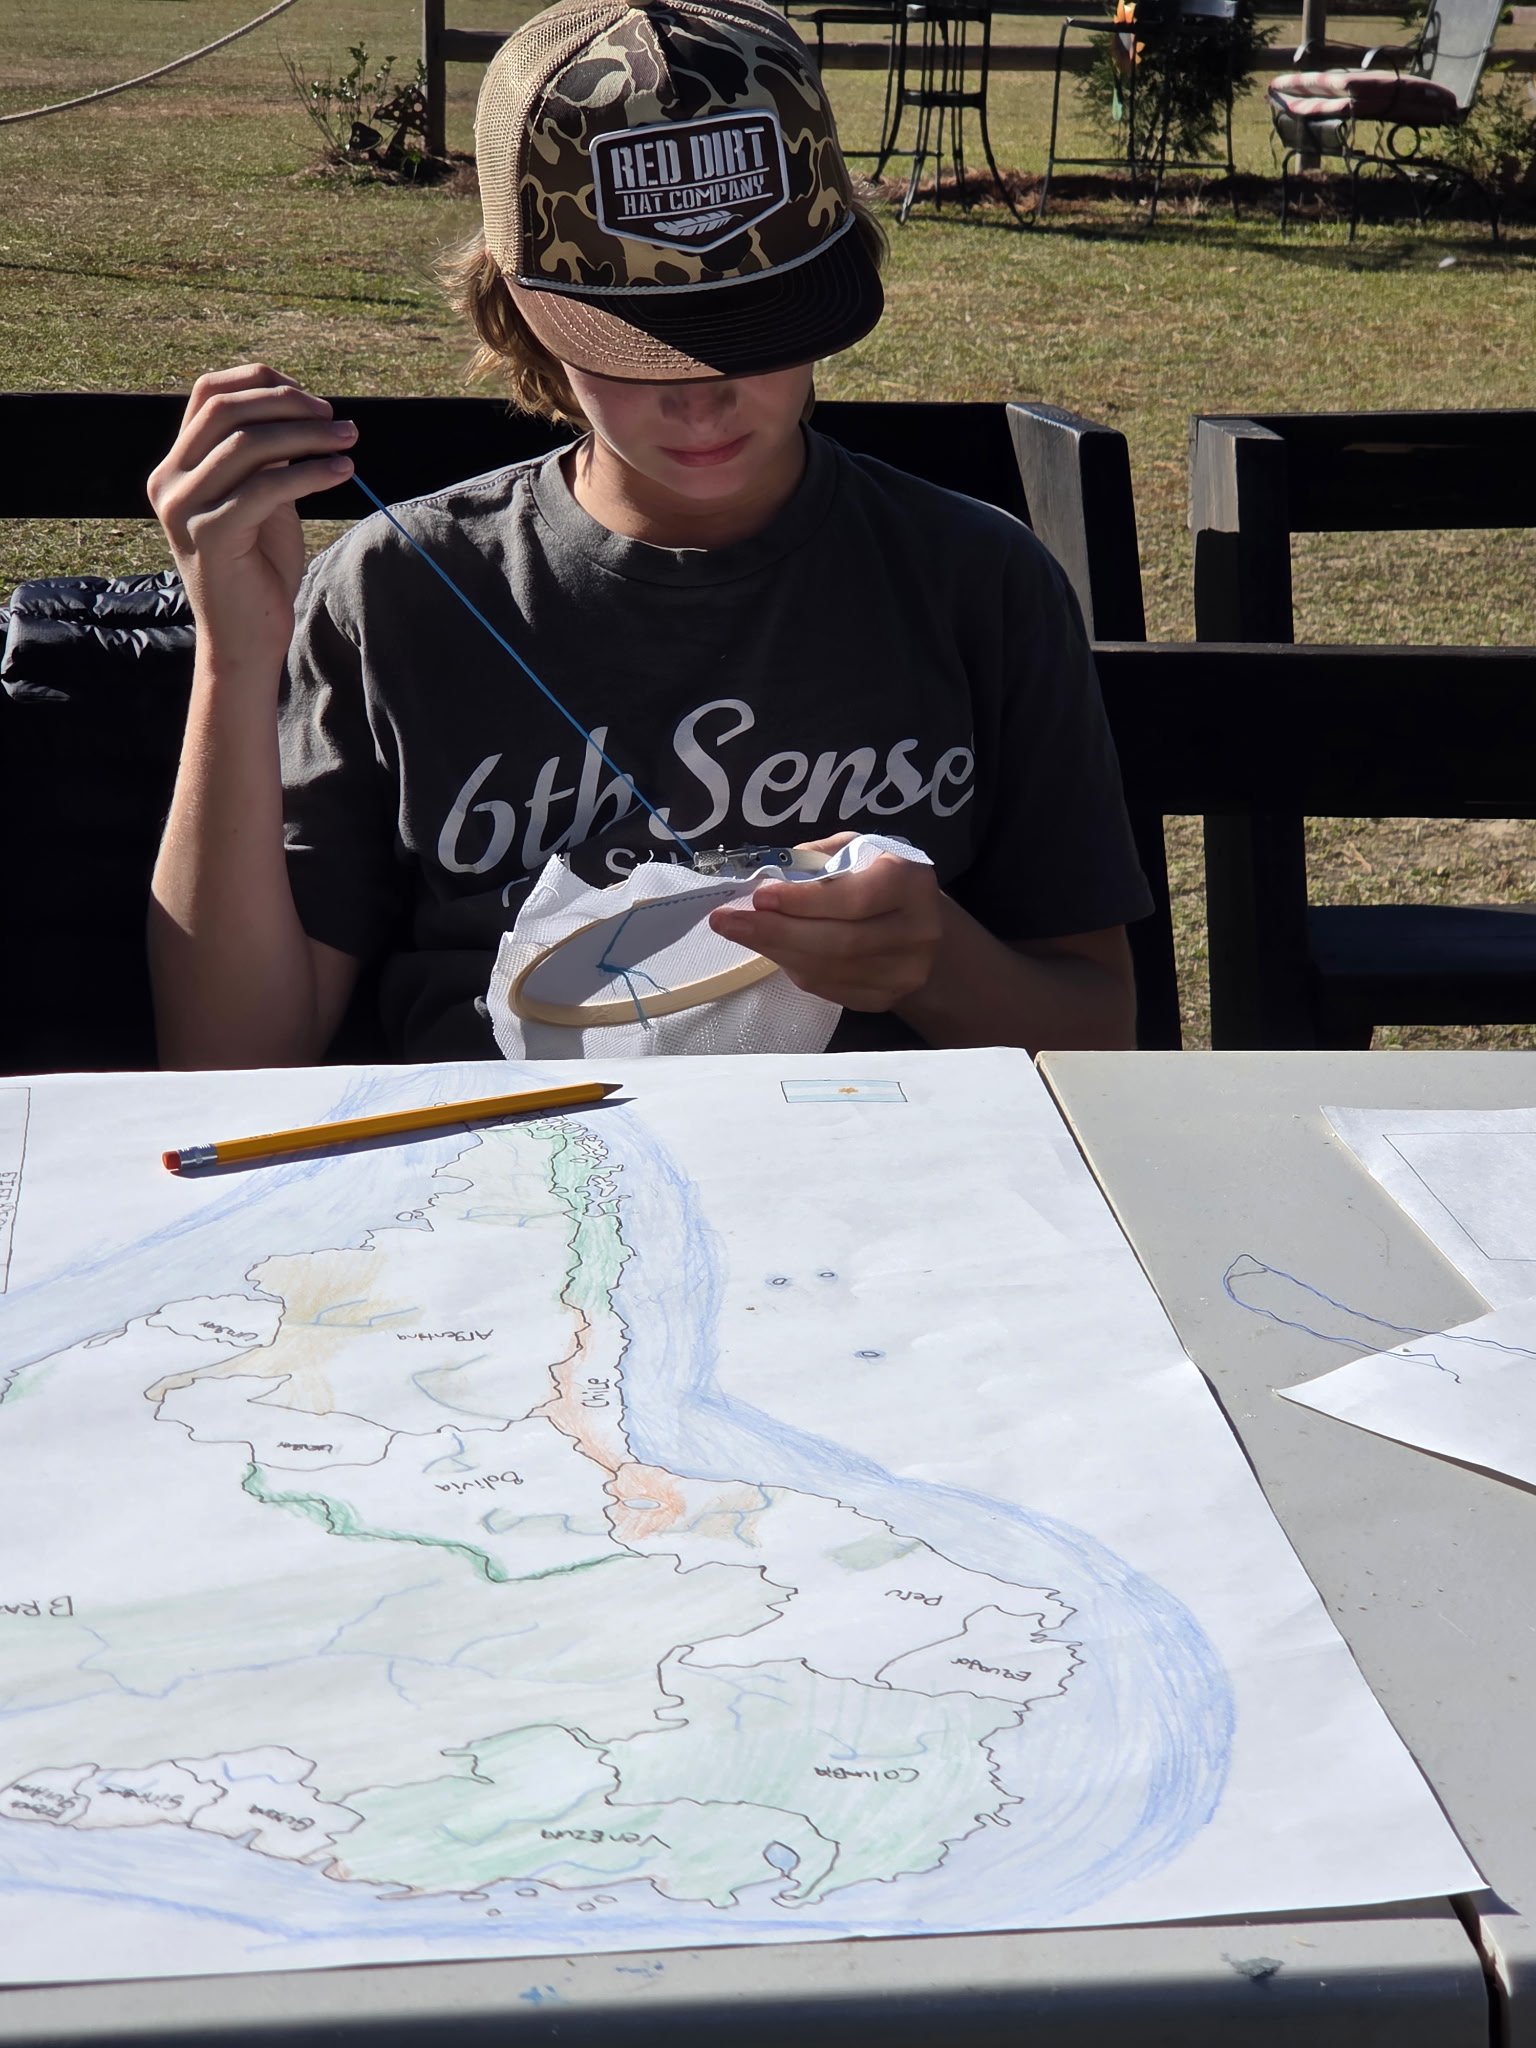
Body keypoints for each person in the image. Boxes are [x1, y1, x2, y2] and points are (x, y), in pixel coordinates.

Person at [147, 0, 1151, 1072]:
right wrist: (233, 658)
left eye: (756, 330)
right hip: (509, 1180)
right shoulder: (401, 592)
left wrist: (937, 959)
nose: (701, 403)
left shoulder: (976, 582)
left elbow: (1100, 1033)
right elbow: (229, 1061)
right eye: (641, 348)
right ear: (519, 309)